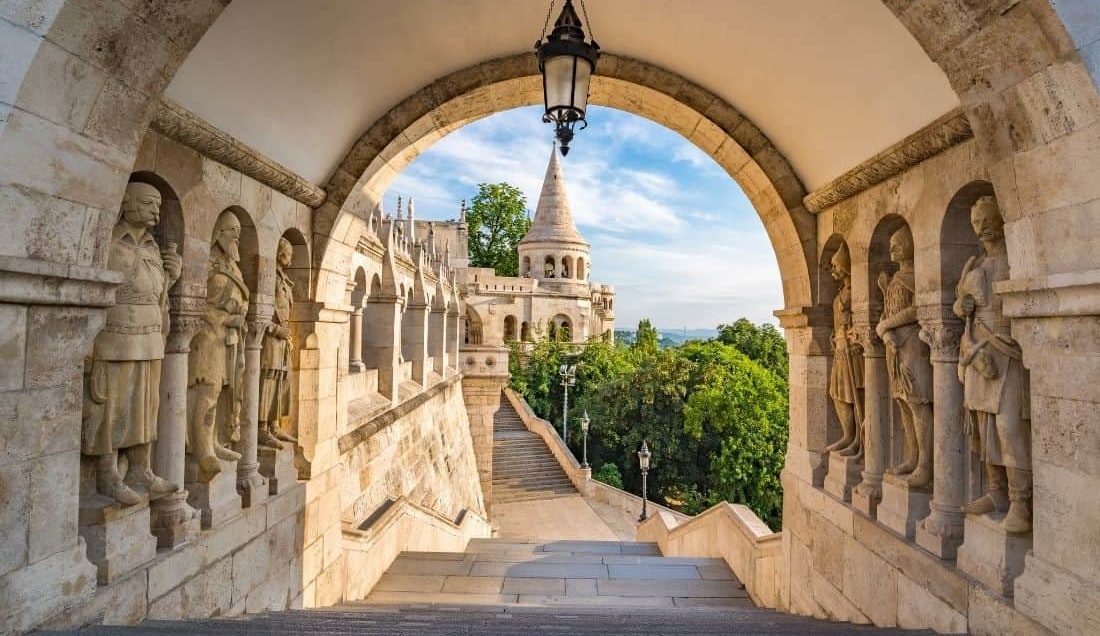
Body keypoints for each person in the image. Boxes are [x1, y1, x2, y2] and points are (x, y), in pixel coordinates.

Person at [83, 182, 180, 505]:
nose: (156, 211)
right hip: (117, 338)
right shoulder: (108, 240)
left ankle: (141, 470)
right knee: (112, 406)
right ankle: (108, 474)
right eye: (149, 203)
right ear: (126, 202)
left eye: (158, 205)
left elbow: (156, 292)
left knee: (145, 407)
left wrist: (172, 277)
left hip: (150, 337)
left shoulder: (153, 247)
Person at [954, 195, 1031, 533]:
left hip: (1007, 348)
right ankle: (996, 492)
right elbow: (961, 309)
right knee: (984, 429)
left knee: (1008, 429)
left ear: (1001, 219)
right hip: (979, 351)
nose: (980, 226)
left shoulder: (1015, 259)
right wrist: (963, 308)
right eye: (975, 222)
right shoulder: (974, 264)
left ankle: (1021, 503)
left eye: (986, 218)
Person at [187, 211, 248, 479]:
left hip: (229, 338)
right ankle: (201, 449)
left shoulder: (233, 266)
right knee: (208, 391)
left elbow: (243, 301)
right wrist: (223, 317)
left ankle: (214, 442)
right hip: (208, 336)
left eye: (238, 231)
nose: (236, 235)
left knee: (223, 391)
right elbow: (195, 303)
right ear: (217, 232)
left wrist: (237, 315)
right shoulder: (207, 263)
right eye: (231, 230)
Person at [876, 226, 934, 488]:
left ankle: (926, 464)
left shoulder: (916, 277)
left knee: (918, 402)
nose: (893, 249)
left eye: (899, 243)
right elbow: (885, 314)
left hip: (913, 346)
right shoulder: (894, 279)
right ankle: (912, 457)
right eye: (891, 245)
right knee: (903, 404)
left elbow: (917, 309)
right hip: (894, 349)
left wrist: (886, 326)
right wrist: (885, 332)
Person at [825, 244, 864, 458]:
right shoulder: (842, 292)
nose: (832, 271)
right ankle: (848, 435)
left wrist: (852, 333)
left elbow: (864, 318)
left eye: (835, 266)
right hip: (840, 348)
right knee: (837, 394)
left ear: (845, 267)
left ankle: (858, 439)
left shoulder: (855, 291)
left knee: (855, 395)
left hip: (853, 351)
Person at [259, 238, 298, 449]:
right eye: (288, 252)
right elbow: (260, 311)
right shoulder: (270, 278)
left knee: (283, 380)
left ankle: (275, 425)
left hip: (283, 340)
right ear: (279, 253)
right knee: (268, 380)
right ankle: (262, 429)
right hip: (271, 339)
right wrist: (276, 330)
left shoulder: (283, 280)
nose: (290, 257)